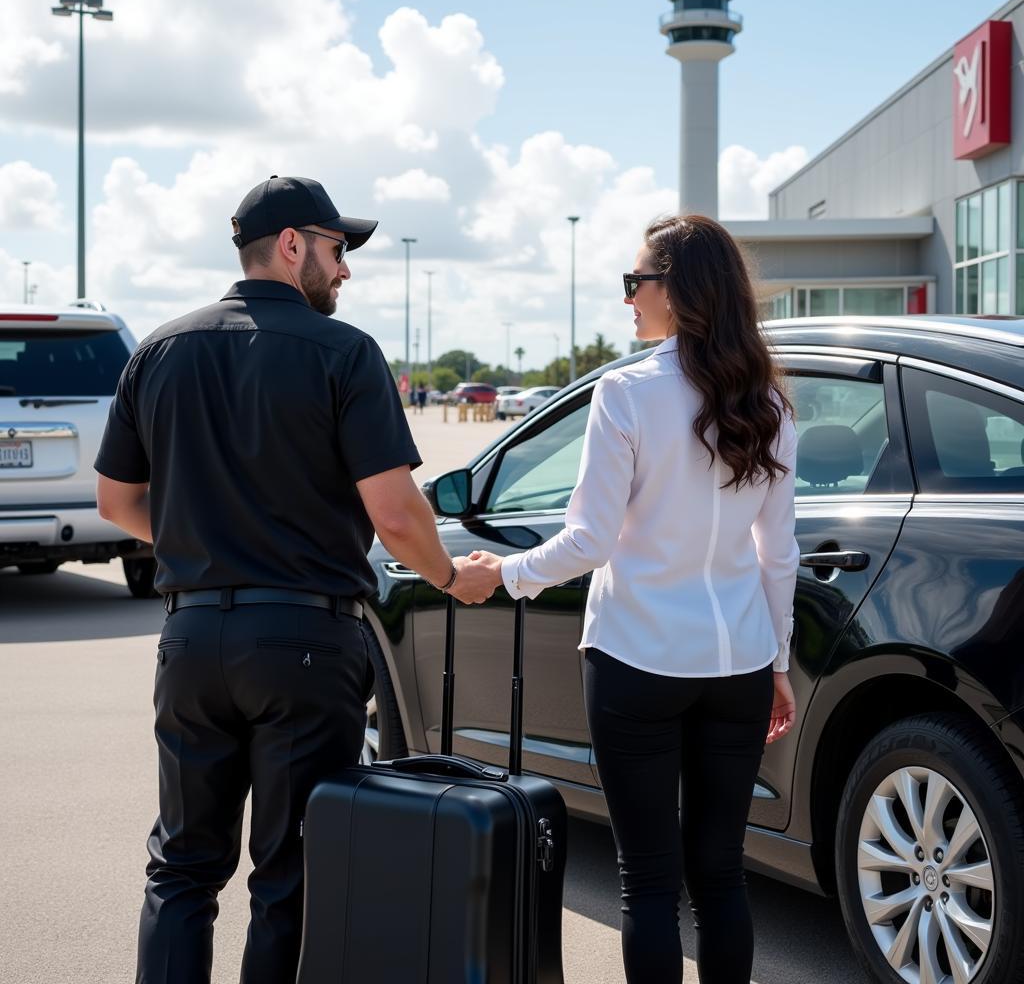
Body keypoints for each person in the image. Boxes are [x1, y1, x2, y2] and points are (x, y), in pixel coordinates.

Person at [94, 175, 497, 984]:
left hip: (191, 636)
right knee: (288, 877)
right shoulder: (343, 353)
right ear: (291, 246)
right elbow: (394, 513)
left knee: (181, 868)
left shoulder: (161, 349)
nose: (344, 270)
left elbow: (116, 501)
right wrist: (452, 576)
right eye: (338, 249)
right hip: (306, 643)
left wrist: (198, 538)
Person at [468, 214, 799, 984]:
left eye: (634, 283)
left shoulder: (628, 391)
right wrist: (778, 662)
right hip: (738, 665)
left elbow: (589, 541)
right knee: (721, 874)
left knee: (648, 879)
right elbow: (775, 554)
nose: (628, 301)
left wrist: (506, 575)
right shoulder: (771, 405)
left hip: (636, 658)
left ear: (677, 290)